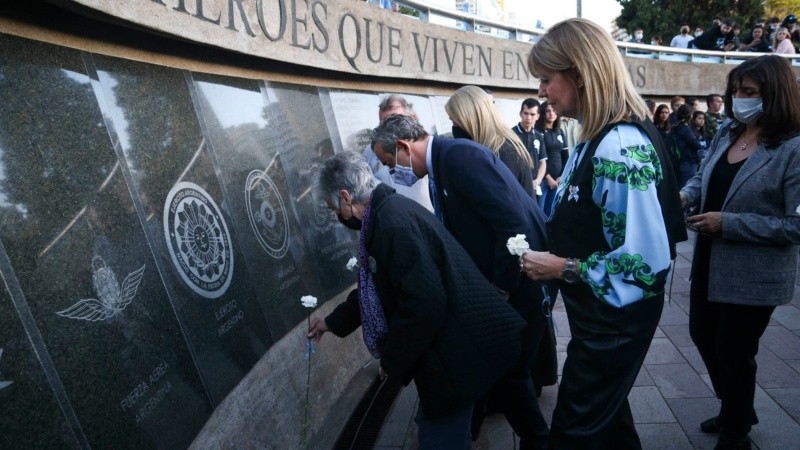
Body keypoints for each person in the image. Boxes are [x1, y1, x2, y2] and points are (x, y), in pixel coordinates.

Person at [522, 18, 683, 449]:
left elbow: (646, 264)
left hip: (614, 324)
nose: (540, 92)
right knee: (608, 425)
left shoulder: (618, 145)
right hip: (602, 319)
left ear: (579, 73)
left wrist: (561, 267)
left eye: (545, 79)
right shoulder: (595, 138)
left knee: (574, 433)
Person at [308, 151, 527, 449]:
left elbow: (424, 304)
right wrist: (331, 322)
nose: (335, 214)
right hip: (454, 348)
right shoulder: (385, 214)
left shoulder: (391, 225)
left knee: (440, 437)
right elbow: (378, 290)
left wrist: (394, 361)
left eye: (332, 206)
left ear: (346, 197)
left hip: (455, 353)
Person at [371, 114, 551, 449]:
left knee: (509, 373)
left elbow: (512, 223)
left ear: (403, 146)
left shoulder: (459, 158)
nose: (391, 171)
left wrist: (500, 289)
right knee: (494, 368)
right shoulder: (444, 162)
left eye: (388, 161)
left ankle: (539, 442)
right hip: (503, 286)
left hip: (519, 284)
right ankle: (472, 431)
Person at [680, 54, 800, 450]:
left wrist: (728, 223)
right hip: (709, 261)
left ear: (775, 95)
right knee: (702, 334)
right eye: (735, 90)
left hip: (754, 273)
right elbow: (703, 175)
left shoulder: (793, 148)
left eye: (749, 92)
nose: (738, 99)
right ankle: (738, 407)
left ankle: (735, 433)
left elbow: (795, 225)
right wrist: (686, 196)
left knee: (734, 352)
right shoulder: (729, 131)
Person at [446, 85, 535, 198]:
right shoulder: (487, 148)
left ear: (470, 120)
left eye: (455, 122)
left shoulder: (504, 152)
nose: (454, 127)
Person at [362, 94, 433, 211]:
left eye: (395, 120)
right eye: (383, 123)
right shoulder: (371, 151)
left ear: (412, 118)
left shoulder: (426, 146)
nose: (388, 129)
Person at [536, 101, 569, 216]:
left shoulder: (559, 131)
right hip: (544, 180)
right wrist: (548, 178)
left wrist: (562, 176)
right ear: (543, 113)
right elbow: (537, 158)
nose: (551, 113)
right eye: (548, 111)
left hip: (557, 180)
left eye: (554, 110)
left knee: (552, 212)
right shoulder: (538, 132)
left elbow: (566, 156)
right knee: (540, 212)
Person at [513, 98, 548, 197]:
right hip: (517, 187)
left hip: (534, 188)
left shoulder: (538, 136)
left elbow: (543, 162)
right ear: (520, 114)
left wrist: (538, 180)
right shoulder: (511, 135)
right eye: (525, 113)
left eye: (532, 114)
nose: (528, 118)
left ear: (538, 116)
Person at [672, 104, 703, 187]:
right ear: (690, 115)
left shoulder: (675, 127)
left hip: (679, 162)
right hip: (687, 162)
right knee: (687, 189)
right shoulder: (685, 129)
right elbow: (696, 145)